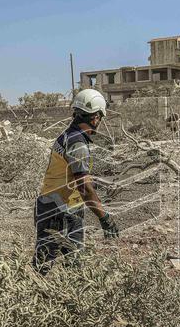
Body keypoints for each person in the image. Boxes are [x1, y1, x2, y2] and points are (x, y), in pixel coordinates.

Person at [34, 89, 119, 269]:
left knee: (46, 265)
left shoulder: (68, 136)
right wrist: (105, 218)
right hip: (61, 211)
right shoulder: (77, 144)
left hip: (52, 206)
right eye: (100, 118)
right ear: (95, 117)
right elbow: (84, 187)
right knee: (66, 268)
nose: (100, 122)